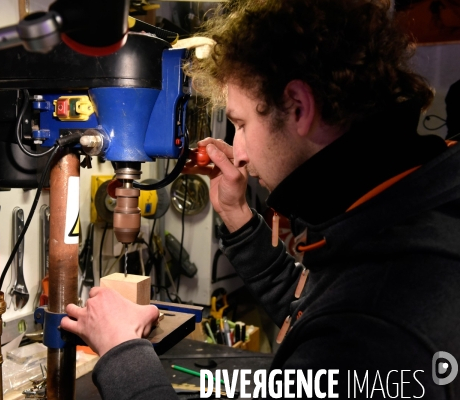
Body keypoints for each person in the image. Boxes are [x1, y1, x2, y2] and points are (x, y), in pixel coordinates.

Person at [61, 0, 460, 398]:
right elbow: (312, 307)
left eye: (241, 124)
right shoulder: (405, 207)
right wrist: (238, 217)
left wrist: (122, 353)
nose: (240, 152)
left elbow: (341, 321)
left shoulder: (372, 326)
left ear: (299, 106)